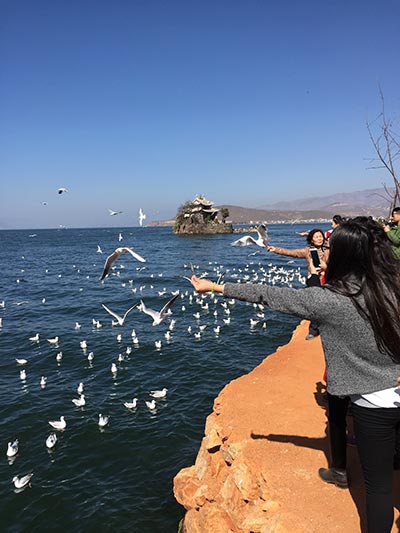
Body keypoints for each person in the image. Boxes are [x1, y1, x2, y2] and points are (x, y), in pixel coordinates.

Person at [191, 217, 400, 533]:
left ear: (344, 255)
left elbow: (269, 295)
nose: (325, 251)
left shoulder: (328, 300)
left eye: (331, 247)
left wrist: (216, 286)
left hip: (374, 405)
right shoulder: (393, 286)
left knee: (380, 488)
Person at [267, 229, 329, 340]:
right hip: (314, 280)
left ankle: (329, 326)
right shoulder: (307, 251)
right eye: (316, 237)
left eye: (321, 236)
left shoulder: (329, 250)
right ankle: (314, 330)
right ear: (311, 239)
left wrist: (326, 267)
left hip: (328, 279)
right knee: (314, 305)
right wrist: (276, 249)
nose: (319, 239)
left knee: (327, 304)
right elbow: (292, 253)